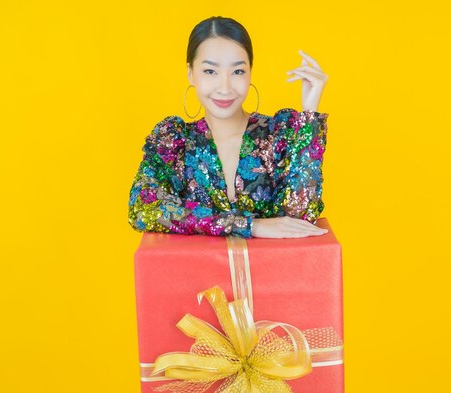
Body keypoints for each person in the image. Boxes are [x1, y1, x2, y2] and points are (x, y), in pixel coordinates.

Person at [127, 16, 330, 239]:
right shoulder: (174, 141)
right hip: (196, 273)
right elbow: (142, 207)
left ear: (250, 71)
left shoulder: (278, 134)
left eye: (237, 72)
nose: (224, 88)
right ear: (190, 73)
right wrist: (250, 225)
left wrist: (310, 114)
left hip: (273, 272)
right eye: (210, 71)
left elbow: (301, 216)